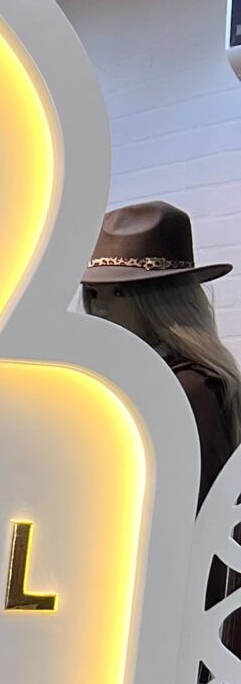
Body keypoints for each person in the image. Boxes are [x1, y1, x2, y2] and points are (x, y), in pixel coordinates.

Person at [79, 199, 240, 508]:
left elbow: (200, 510)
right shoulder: (111, 382)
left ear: (162, 301)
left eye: (120, 292)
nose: (101, 308)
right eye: (94, 293)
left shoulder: (191, 387)